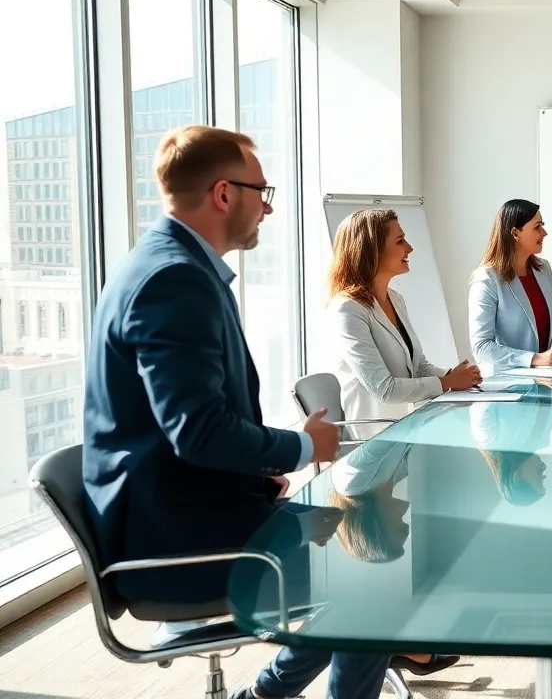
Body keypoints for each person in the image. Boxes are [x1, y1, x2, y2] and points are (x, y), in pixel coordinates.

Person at [81, 126, 453, 699]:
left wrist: (257, 468)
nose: (270, 205)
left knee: (371, 555)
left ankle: (266, 695)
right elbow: (197, 430)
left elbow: (186, 420)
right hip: (177, 542)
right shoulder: (174, 280)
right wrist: (303, 447)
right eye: (261, 190)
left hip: (198, 507)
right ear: (224, 194)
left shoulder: (175, 268)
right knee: (374, 571)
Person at [328, 209, 481, 439]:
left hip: (409, 426)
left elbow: (418, 366)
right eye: (400, 241)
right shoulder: (347, 309)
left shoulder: (395, 299)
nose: (409, 248)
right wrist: (447, 382)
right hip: (376, 437)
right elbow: (385, 390)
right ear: (372, 250)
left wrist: (456, 375)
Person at [469, 199, 552, 376]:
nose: (544, 233)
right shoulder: (487, 278)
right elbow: (482, 347)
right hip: (505, 384)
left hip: (544, 379)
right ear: (515, 233)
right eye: (537, 227)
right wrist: (533, 359)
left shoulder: (543, 269)